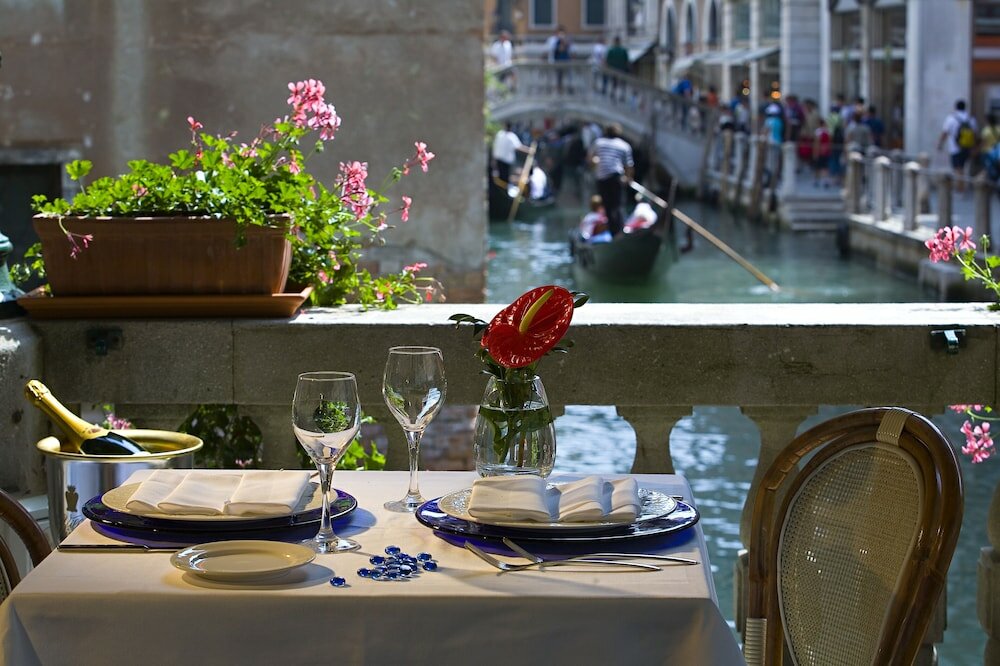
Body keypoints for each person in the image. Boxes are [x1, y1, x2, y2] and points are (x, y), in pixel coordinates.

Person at [587, 123, 634, 237]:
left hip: (602, 178)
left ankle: (614, 233)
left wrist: (595, 164)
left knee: (608, 206)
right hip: (616, 177)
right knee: (617, 205)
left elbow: (590, 158)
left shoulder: (599, 143)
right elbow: (629, 166)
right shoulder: (624, 145)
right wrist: (627, 180)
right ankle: (619, 232)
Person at [938, 99, 978, 192]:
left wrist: (940, 144)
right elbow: (975, 134)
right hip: (967, 146)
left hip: (955, 147)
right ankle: (961, 186)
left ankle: (960, 188)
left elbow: (945, 133)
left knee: (958, 168)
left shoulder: (951, 118)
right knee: (962, 167)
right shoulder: (971, 118)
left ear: (955, 107)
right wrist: (974, 147)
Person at [812, 117, 832, 188]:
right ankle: (825, 180)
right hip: (826, 151)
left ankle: (817, 180)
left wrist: (815, 152)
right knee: (825, 167)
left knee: (817, 167)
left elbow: (817, 143)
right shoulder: (828, 131)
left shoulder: (818, 132)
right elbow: (829, 142)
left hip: (820, 151)